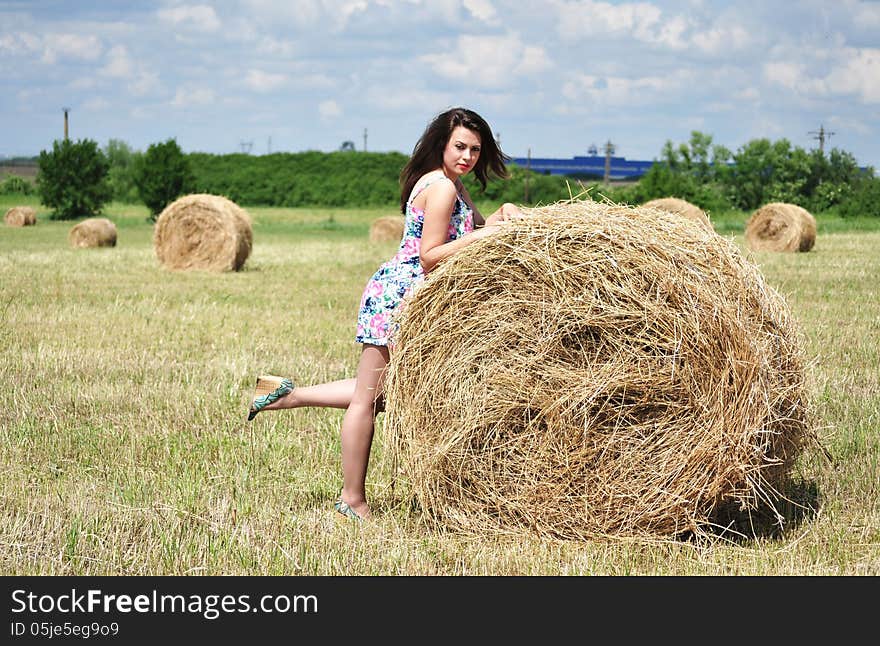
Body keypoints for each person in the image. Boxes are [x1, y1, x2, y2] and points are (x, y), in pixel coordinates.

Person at [246, 107, 523, 521]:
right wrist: (493, 233)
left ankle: (285, 395)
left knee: (380, 393)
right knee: (368, 400)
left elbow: (475, 234)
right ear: (441, 145)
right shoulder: (443, 189)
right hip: (402, 297)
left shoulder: (453, 185)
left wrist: (504, 214)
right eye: (460, 147)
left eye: (475, 150)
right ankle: (351, 500)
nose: (467, 156)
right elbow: (429, 257)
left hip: (413, 298)